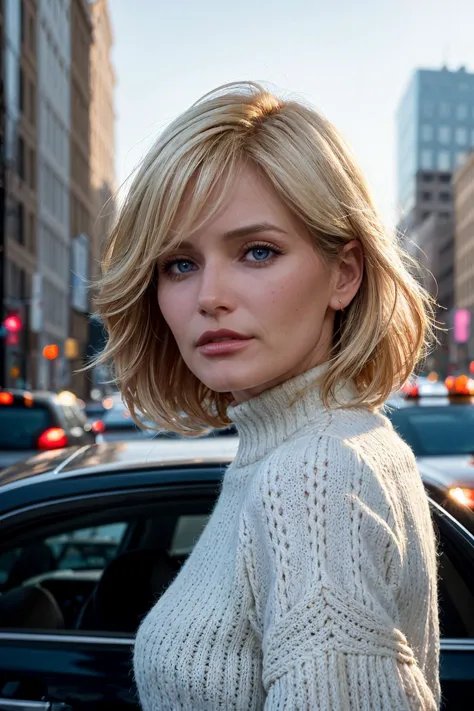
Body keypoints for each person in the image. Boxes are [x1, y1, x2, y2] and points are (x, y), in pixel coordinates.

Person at [94, 82, 440, 710]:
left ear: (344, 274)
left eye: (258, 251)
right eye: (178, 263)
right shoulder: (344, 440)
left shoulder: (312, 472)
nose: (209, 296)